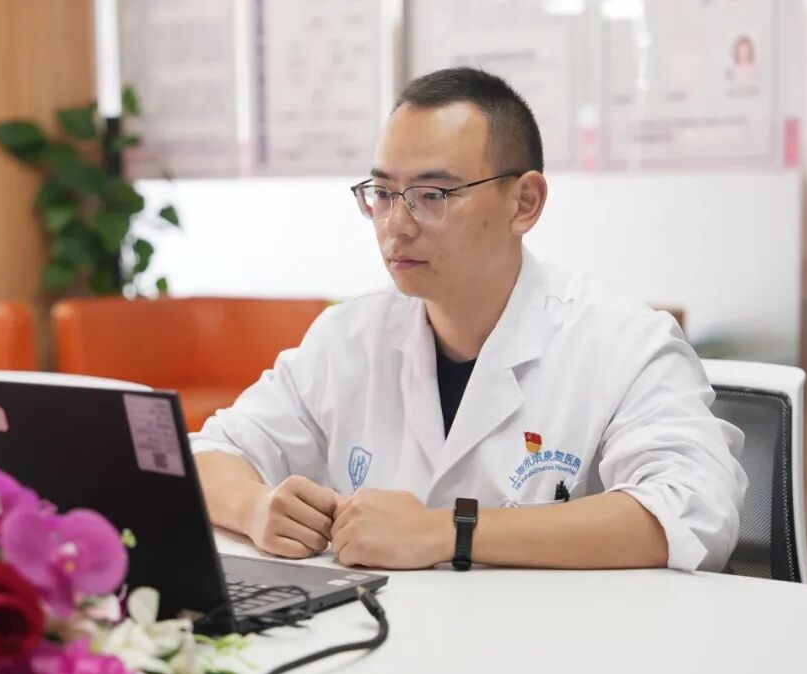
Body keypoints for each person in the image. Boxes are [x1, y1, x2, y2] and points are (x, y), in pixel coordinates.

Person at [190, 67, 746, 572]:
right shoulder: (348, 337)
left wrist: (450, 532)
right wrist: (257, 507)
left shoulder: (624, 342)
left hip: (560, 640)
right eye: (382, 193)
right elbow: (210, 454)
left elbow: (693, 510)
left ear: (524, 203)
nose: (395, 225)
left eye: (432, 195)